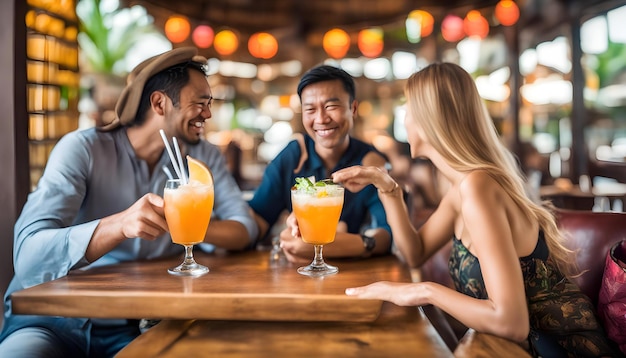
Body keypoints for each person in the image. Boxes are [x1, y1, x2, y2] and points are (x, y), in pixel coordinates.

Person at [331, 63, 618, 357]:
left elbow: (512, 323)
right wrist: (388, 189)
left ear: (431, 119)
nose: (404, 120)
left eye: (408, 108)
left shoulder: (478, 187)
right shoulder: (463, 188)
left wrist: (424, 290)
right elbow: (414, 251)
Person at [0, 47, 258, 357]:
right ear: (159, 103)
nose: (208, 114)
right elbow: (28, 257)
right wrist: (119, 225)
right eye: (199, 104)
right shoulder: (82, 149)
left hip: (143, 324)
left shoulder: (203, 156)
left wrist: (186, 223)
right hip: (53, 320)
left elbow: (244, 229)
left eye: (209, 104)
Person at [248, 65, 392, 264]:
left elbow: (386, 235)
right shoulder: (292, 157)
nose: (321, 119)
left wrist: (320, 246)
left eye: (331, 106)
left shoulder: (370, 163)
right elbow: (257, 222)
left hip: (359, 276)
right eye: (310, 109)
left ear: (353, 108)